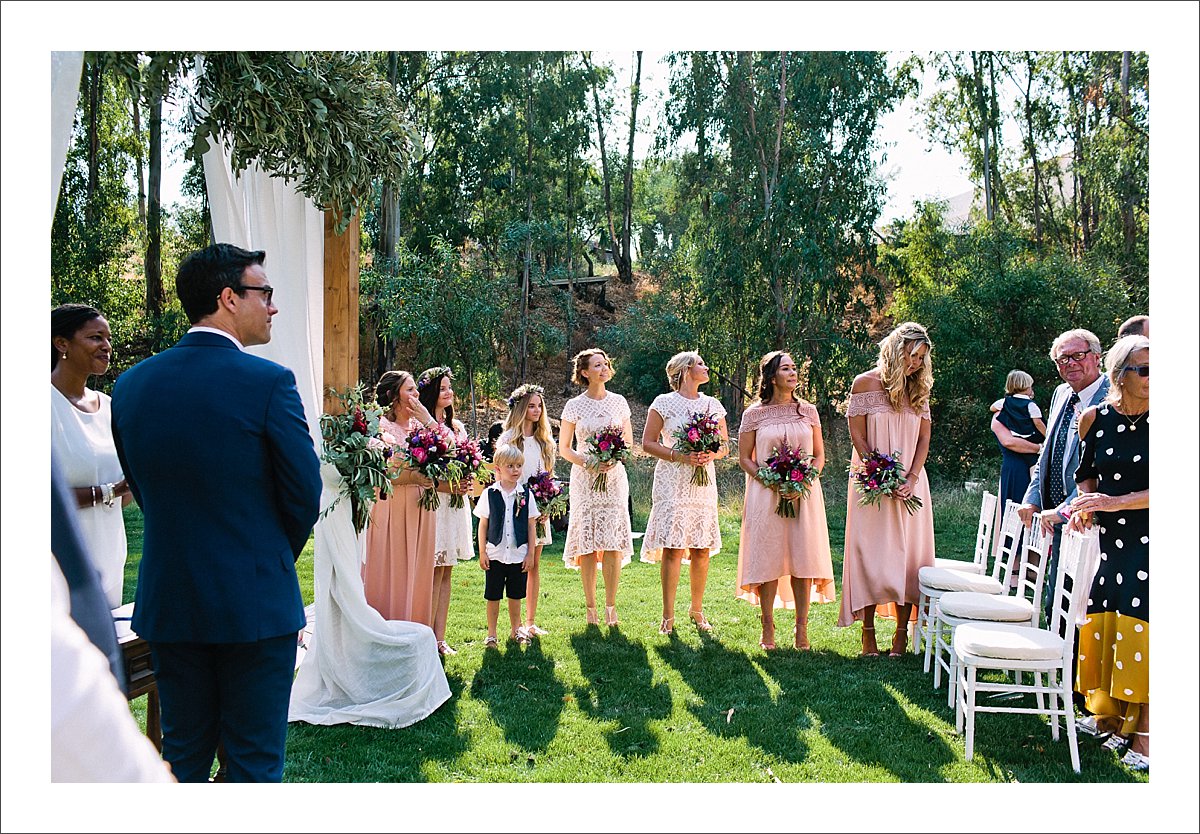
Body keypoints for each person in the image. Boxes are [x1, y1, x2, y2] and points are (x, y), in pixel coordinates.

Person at [111, 243, 323, 782]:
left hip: (171, 601)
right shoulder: (269, 383)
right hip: (254, 606)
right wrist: (267, 561)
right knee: (252, 765)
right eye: (265, 293)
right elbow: (303, 494)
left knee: (181, 757)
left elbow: (142, 485)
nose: (272, 306)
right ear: (229, 298)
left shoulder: (130, 386)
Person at [1068, 335, 1150, 772]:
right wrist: (1087, 506)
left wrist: (1112, 503)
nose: (1154, 377)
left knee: (1143, 632)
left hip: (1151, 542)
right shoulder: (1094, 419)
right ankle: (1112, 718)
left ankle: (1148, 734)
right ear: (1120, 374)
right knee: (1109, 624)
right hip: (1110, 545)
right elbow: (1086, 474)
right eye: (1145, 369)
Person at [837, 322, 936, 658]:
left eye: (922, 358)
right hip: (872, 483)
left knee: (909, 557)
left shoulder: (918, 390)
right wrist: (881, 473)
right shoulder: (864, 383)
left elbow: (923, 441)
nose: (916, 363)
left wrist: (909, 478)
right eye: (912, 355)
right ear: (897, 350)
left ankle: (900, 635)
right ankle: (867, 635)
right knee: (870, 554)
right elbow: (858, 436)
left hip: (911, 484)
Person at [736, 351, 835, 650]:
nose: (793, 373)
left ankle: (800, 630)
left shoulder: (809, 411)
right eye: (786, 369)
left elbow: (819, 457)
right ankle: (768, 628)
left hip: (804, 494)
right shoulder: (753, 414)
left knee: (803, 557)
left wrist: (803, 480)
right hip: (765, 494)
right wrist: (770, 480)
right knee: (768, 557)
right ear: (771, 376)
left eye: (794, 368)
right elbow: (744, 458)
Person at [1012, 329, 1110, 614]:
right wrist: (1032, 499)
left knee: (1080, 605)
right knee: (1055, 601)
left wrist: (1067, 509)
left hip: (1088, 519)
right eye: (1062, 358)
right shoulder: (1061, 394)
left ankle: (1075, 658)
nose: (1070, 363)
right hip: (1052, 517)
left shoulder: (1111, 399)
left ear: (1097, 357)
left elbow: (1100, 467)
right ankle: (1059, 657)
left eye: (1078, 355)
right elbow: (1047, 452)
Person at [50, 303, 134, 608]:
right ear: (62, 343)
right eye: (96, 337)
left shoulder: (110, 407)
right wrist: (109, 491)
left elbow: (126, 492)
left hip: (110, 555)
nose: (107, 346)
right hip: (57, 563)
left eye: (108, 338)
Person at [640, 351, 729, 635]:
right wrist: (679, 455)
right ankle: (668, 615)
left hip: (702, 482)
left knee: (701, 547)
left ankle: (697, 609)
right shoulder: (663, 403)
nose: (706, 367)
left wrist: (710, 455)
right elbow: (648, 443)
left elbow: (725, 445)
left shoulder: (713, 404)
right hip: (672, 481)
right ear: (685, 371)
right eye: (700, 364)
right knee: (673, 546)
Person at [559, 348, 634, 627]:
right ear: (584, 372)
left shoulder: (619, 402)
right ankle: (591, 608)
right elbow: (564, 448)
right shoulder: (574, 406)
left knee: (613, 541)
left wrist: (614, 458)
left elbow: (628, 443)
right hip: (585, 480)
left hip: (614, 479)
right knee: (588, 542)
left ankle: (611, 608)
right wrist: (588, 462)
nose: (604, 369)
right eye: (597, 365)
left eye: (606, 363)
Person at [362, 370, 439, 628]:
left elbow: (452, 451)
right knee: (389, 570)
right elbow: (382, 471)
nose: (416, 395)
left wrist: (428, 420)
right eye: (410, 390)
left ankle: (415, 632)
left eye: (416, 390)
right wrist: (412, 478)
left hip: (422, 509)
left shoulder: (421, 427)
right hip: (390, 505)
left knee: (417, 572)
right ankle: (383, 629)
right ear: (392, 396)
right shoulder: (379, 428)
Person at [418, 366, 476, 657]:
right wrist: (446, 486)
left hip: (455, 504)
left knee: (446, 571)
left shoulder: (458, 428)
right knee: (431, 571)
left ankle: (440, 638)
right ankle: (425, 636)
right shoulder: (423, 427)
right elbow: (422, 470)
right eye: (442, 388)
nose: (449, 392)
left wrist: (466, 481)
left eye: (450, 387)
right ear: (430, 393)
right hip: (434, 503)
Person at [499, 382, 556, 636]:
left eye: (539, 406)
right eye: (531, 405)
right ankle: (516, 623)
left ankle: (531, 622)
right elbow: (500, 477)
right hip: (515, 509)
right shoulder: (509, 439)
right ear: (521, 407)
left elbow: (548, 476)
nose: (537, 410)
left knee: (534, 565)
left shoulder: (544, 441)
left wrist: (546, 503)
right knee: (517, 566)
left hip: (539, 510)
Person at [474, 444, 541, 648]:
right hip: (495, 553)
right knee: (493, 595)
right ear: (498, 469)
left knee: (515, 595)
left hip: (517, 554)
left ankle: (515, 630)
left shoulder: (526, 495)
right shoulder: (490, 494)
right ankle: (492, 634)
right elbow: (483, 523)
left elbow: (531, 525)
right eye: (510, 466)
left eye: (519, 466)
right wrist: (483, 551)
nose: (515, 470)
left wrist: (530, 553)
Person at [989, 369, 1047, 509]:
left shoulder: (1004, 403)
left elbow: (992, 407)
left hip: (1023, 456)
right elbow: (1009, 442)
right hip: (1019, 464)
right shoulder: (1031, 405)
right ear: (1027, 387)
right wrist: (1046, 440)